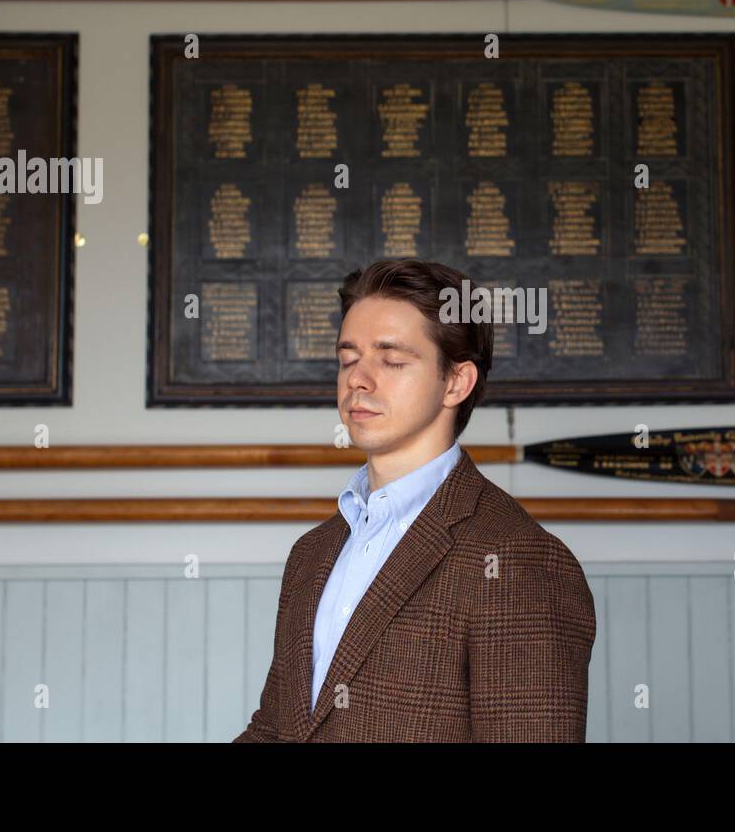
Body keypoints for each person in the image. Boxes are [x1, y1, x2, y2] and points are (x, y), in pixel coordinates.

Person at [234, 257, 595, 742]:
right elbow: (273, 730)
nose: (357, 380)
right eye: (348, 359)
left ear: (456, 382)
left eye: (392, 360)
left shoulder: (514, 557)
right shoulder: (311, 553)